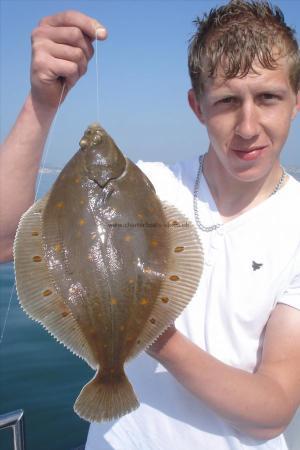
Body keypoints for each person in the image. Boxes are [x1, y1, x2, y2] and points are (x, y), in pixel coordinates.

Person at [0, 1, 300, 449]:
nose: (248, 126)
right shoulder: (152, 187)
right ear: (197, 106)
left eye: (268, 97)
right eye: (227, 101)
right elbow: (5, 241)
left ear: (297, 99)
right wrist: (42, 104)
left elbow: (272, 411)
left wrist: (150, 333)